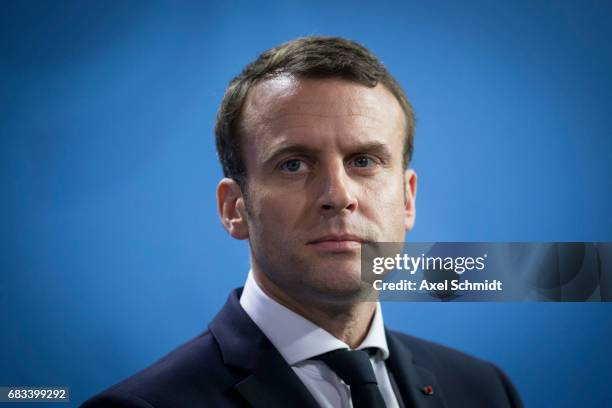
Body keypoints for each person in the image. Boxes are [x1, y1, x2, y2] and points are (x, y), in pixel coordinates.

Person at [82, 36, 523, 408]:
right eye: (294, 164)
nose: (338, 196)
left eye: (364, 161)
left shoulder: (485, 390)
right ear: (234, 208)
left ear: (407, 198)